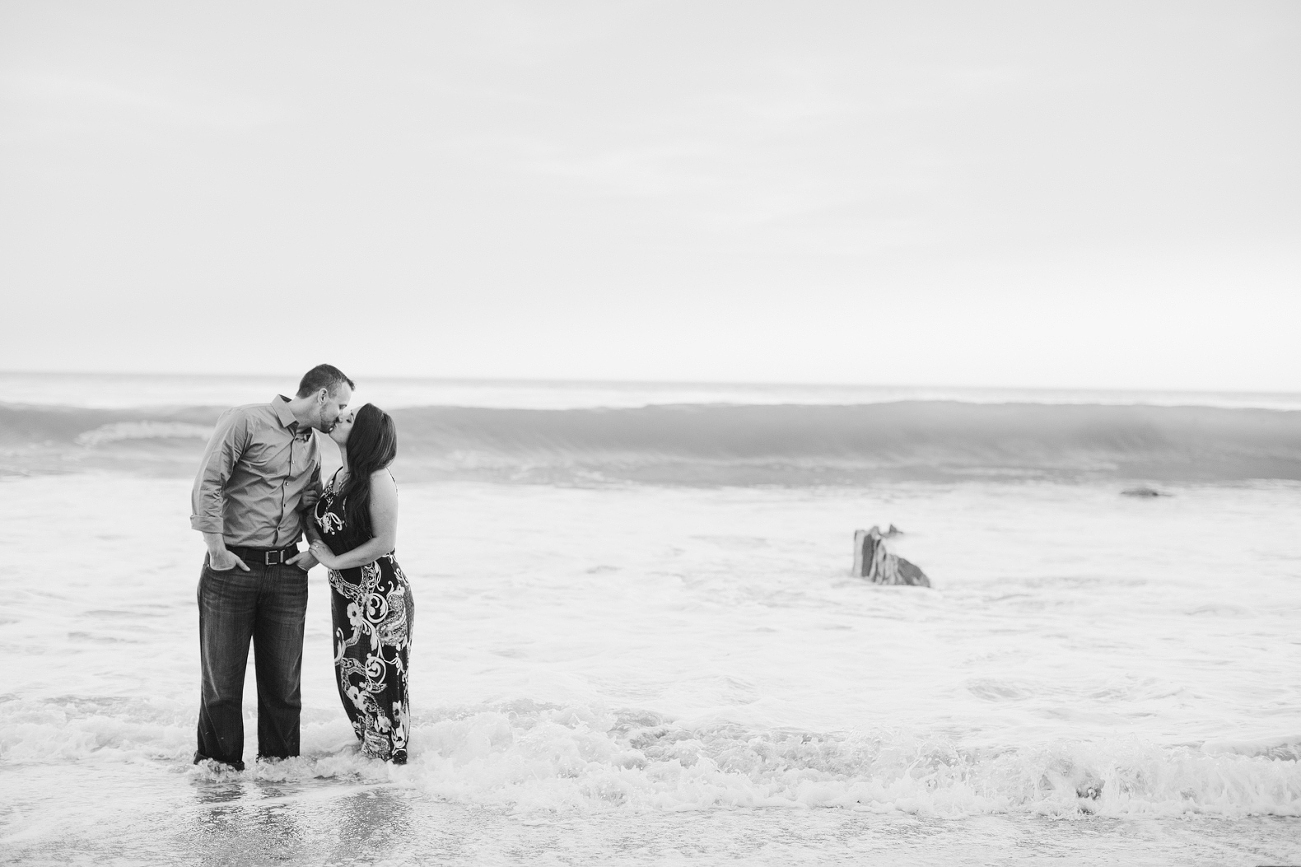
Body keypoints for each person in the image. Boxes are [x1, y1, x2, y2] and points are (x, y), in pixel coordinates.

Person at [190, 364, 354, 770]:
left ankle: (278, 778)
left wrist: (315, 552)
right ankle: (219, 775)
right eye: (341, 404)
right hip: (231, 570)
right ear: (321, 397)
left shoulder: (312, 445)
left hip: (286, 574)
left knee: (283, 689)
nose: (341, 414)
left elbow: (309, 503)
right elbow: (208, 482)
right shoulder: (245, 420)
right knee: (222, 686)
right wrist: (216, 550)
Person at [306, 403, 414, 764]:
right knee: (352, 684)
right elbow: (335, 533)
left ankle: (391, 770)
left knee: (382, 688)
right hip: (347, 599)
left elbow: (384, 542)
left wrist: (333, 561)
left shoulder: (377, 477)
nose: (339, 418)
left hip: (381, 598)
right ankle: (372, 763)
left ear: (364, 434)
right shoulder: (339, 476)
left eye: (349, 418)